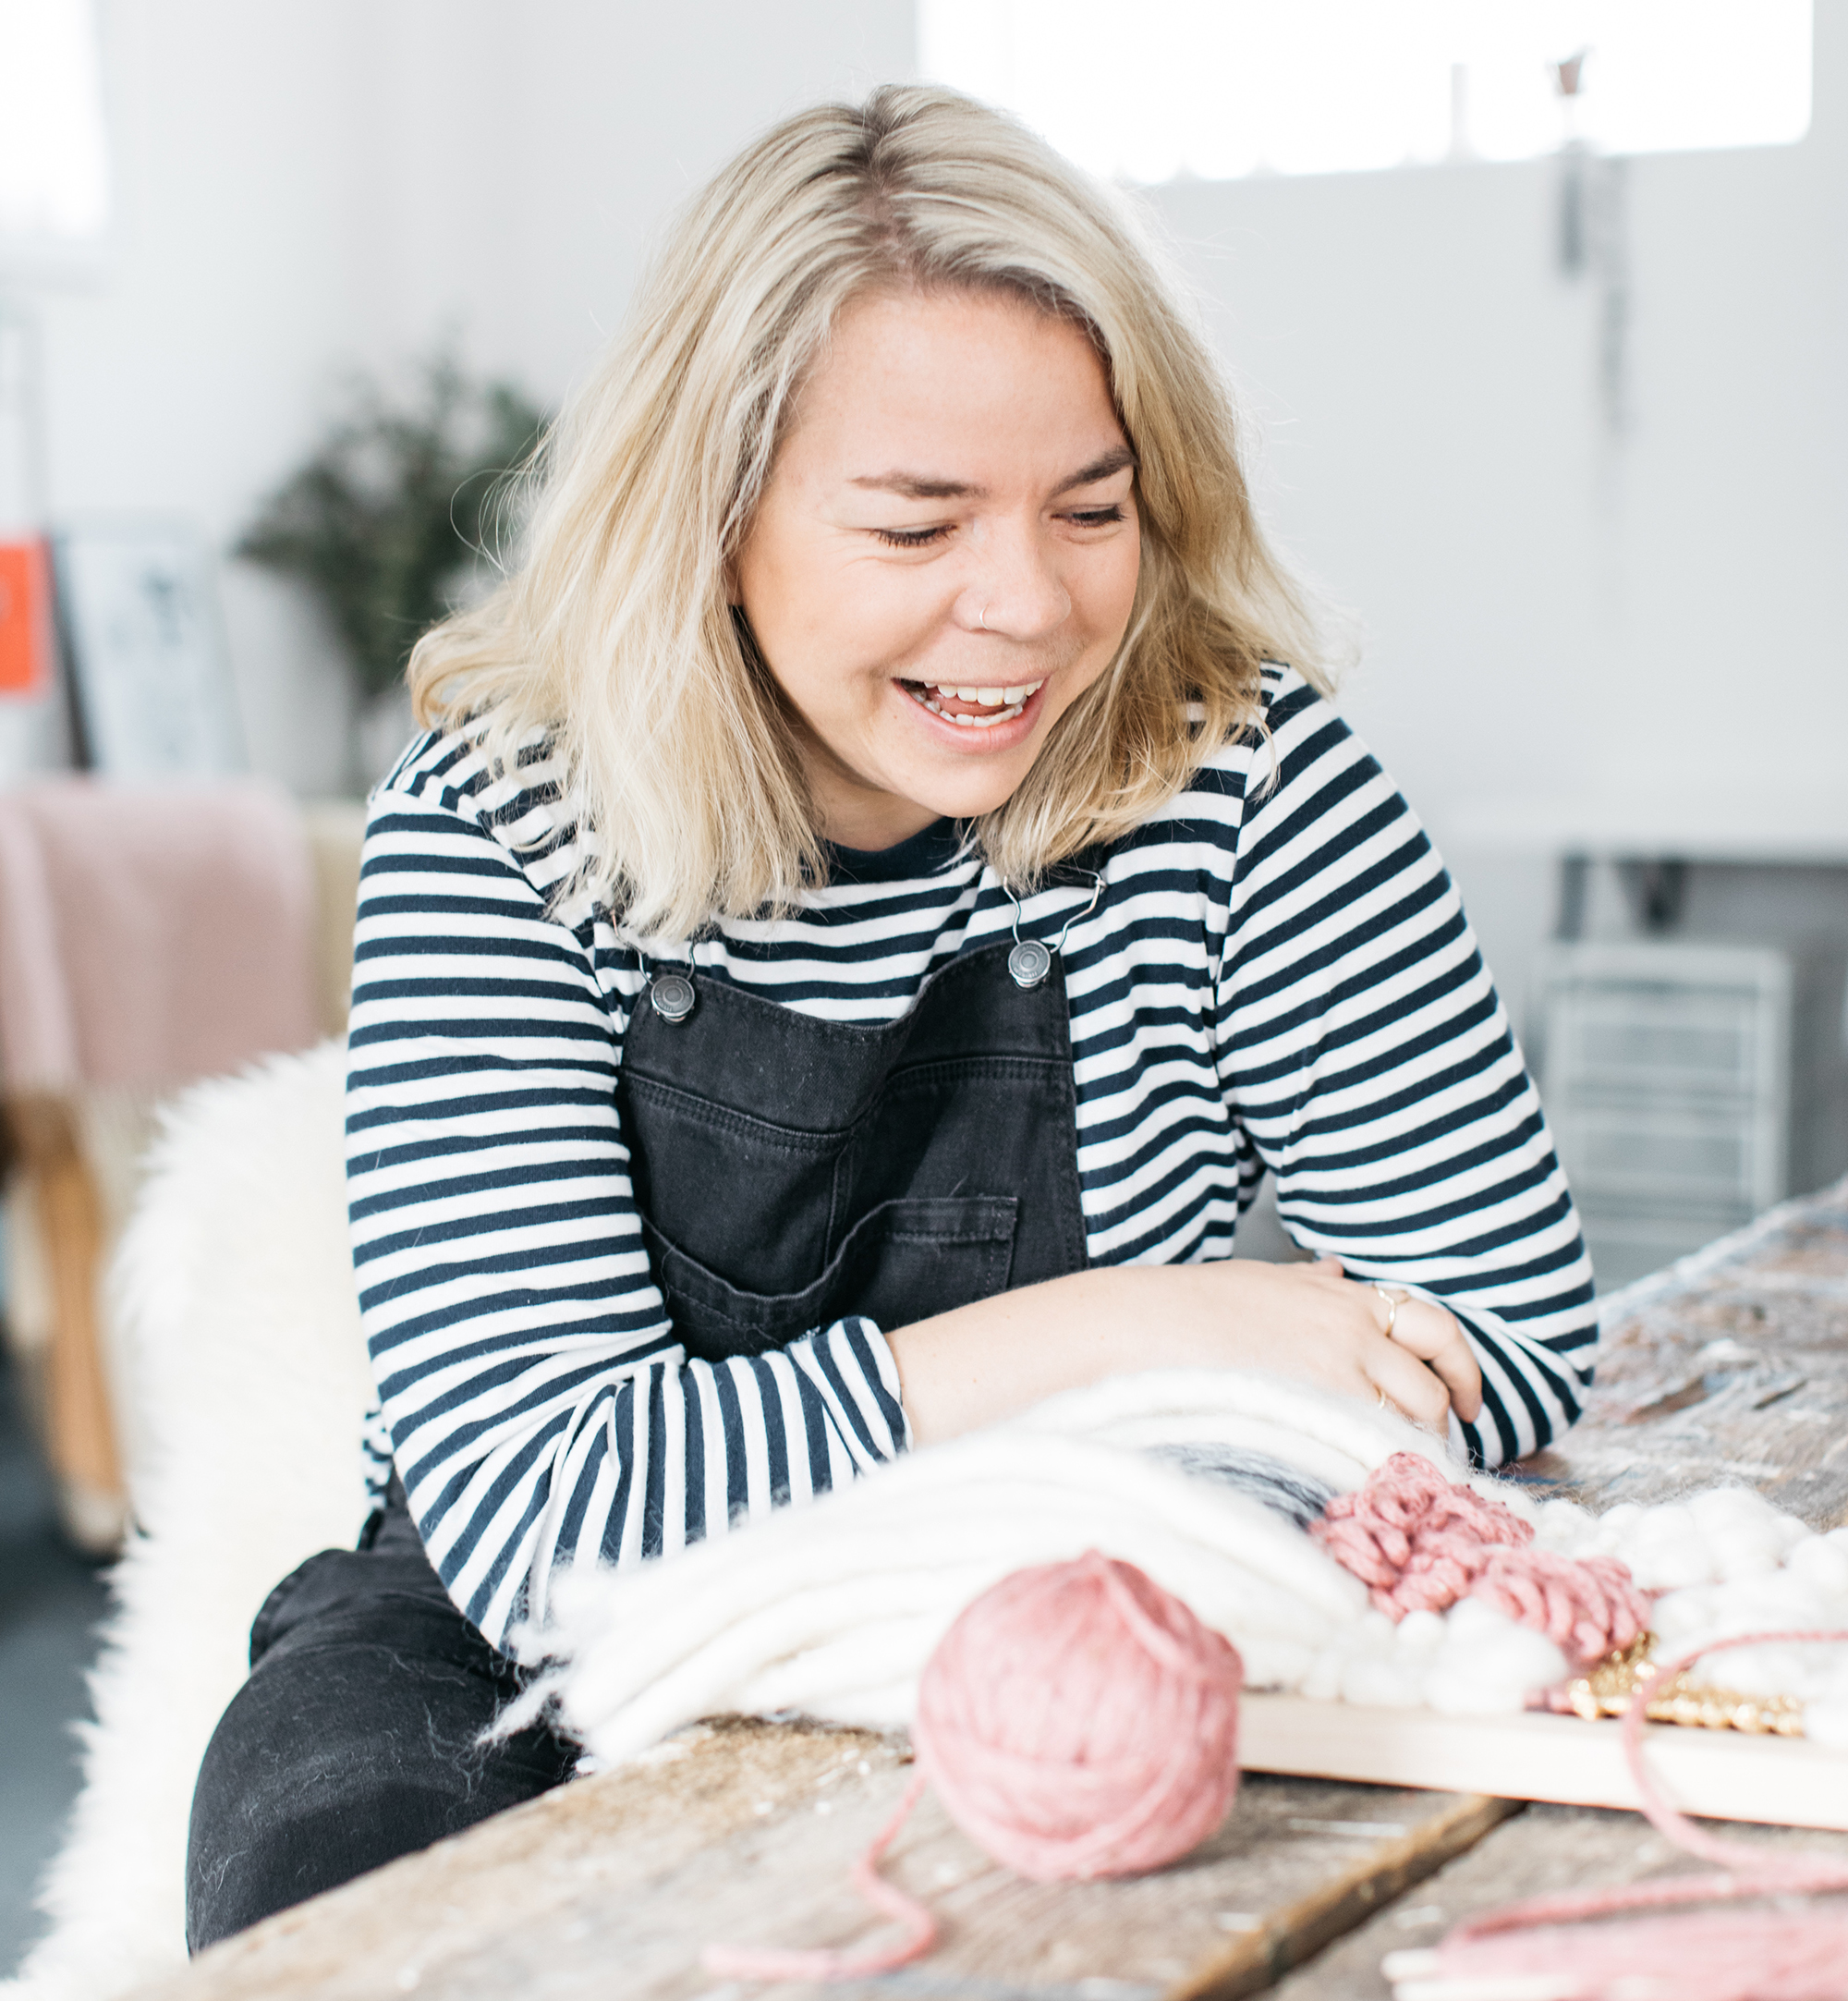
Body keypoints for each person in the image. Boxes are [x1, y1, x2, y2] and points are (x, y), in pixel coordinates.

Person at [187, 84, 1595, 1947]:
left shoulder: (1242, 781)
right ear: (715, 517)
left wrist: (1058, 1510)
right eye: (916, 524)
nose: (1021, 605)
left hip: (1078, 1584)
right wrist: (1146, 1330)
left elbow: (1501, 1327)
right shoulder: (503, 825)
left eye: (1091, 507)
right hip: (490, 1651)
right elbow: (544, 1527)